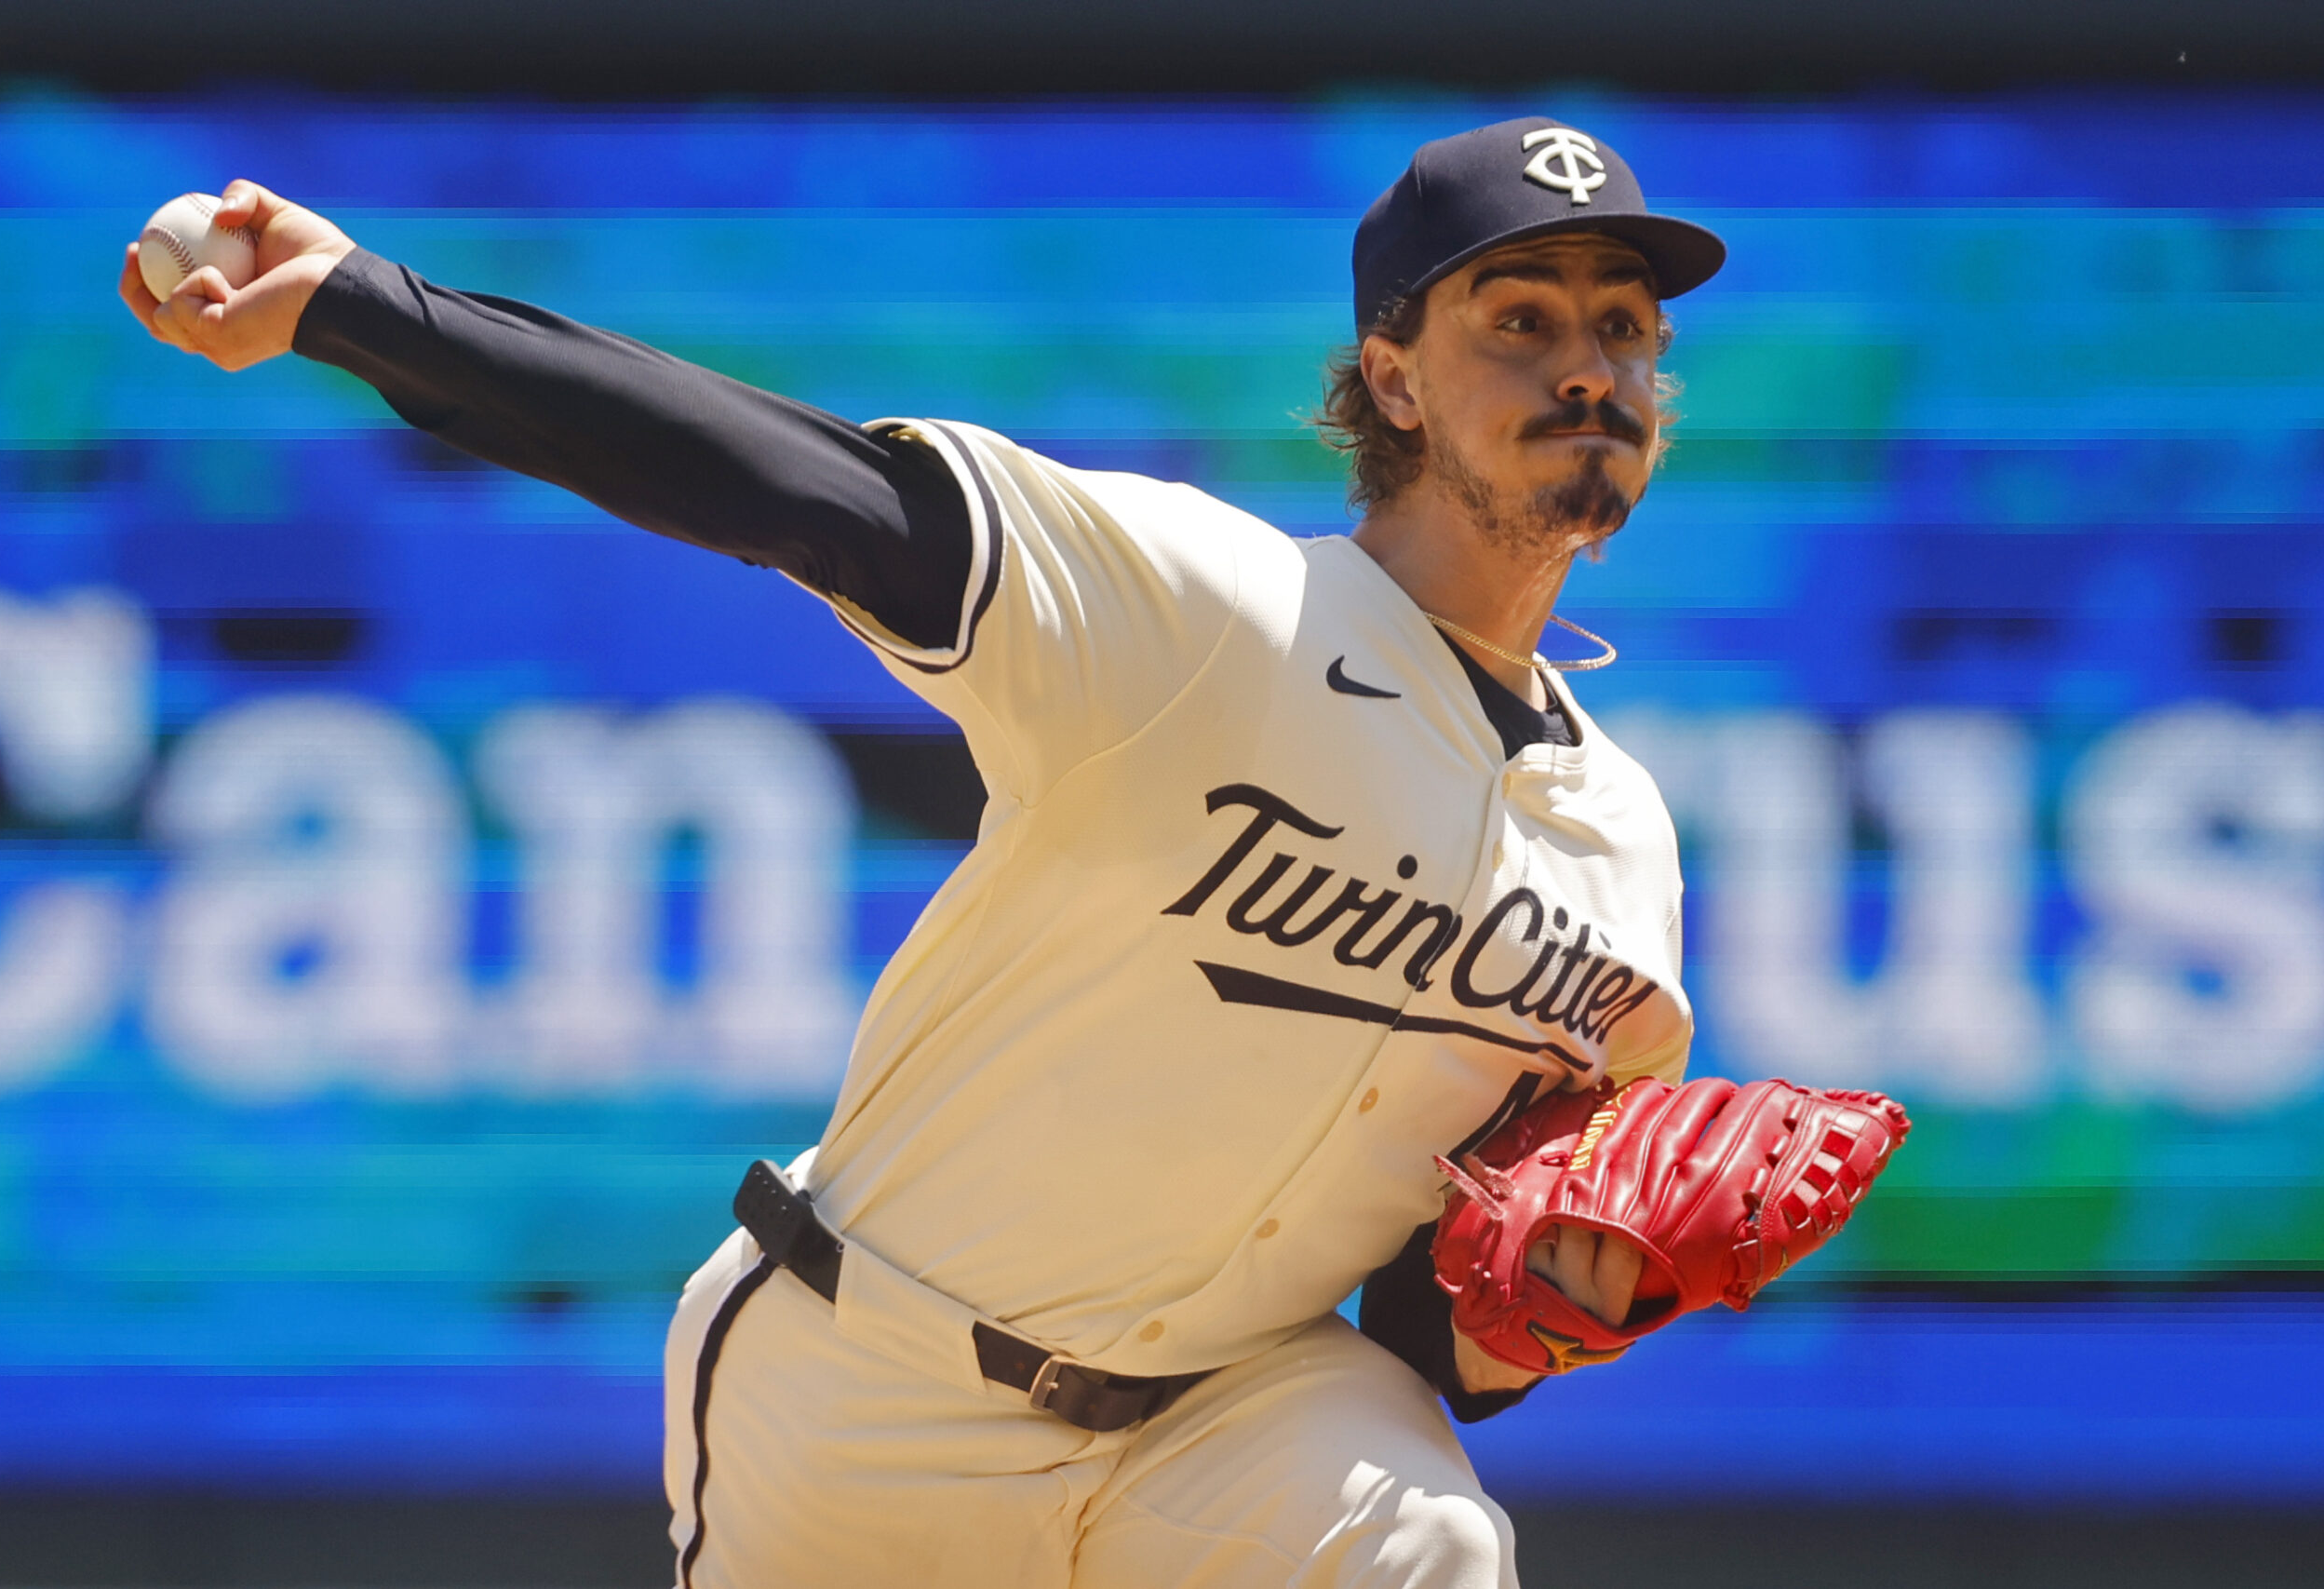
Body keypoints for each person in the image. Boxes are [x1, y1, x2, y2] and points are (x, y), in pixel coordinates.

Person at [122, 115, 1726, 1589]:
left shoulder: (1625, 856)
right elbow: (800, 487)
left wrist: (1546, 1304)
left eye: (1624, 326)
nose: (1588, 366)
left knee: (1431, 1541)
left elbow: (1429, 1324)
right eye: (1520, 318)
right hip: (870, 1378)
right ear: (1391, 379)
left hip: (1232, 1416)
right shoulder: (1213, 612)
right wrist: (361, 306)